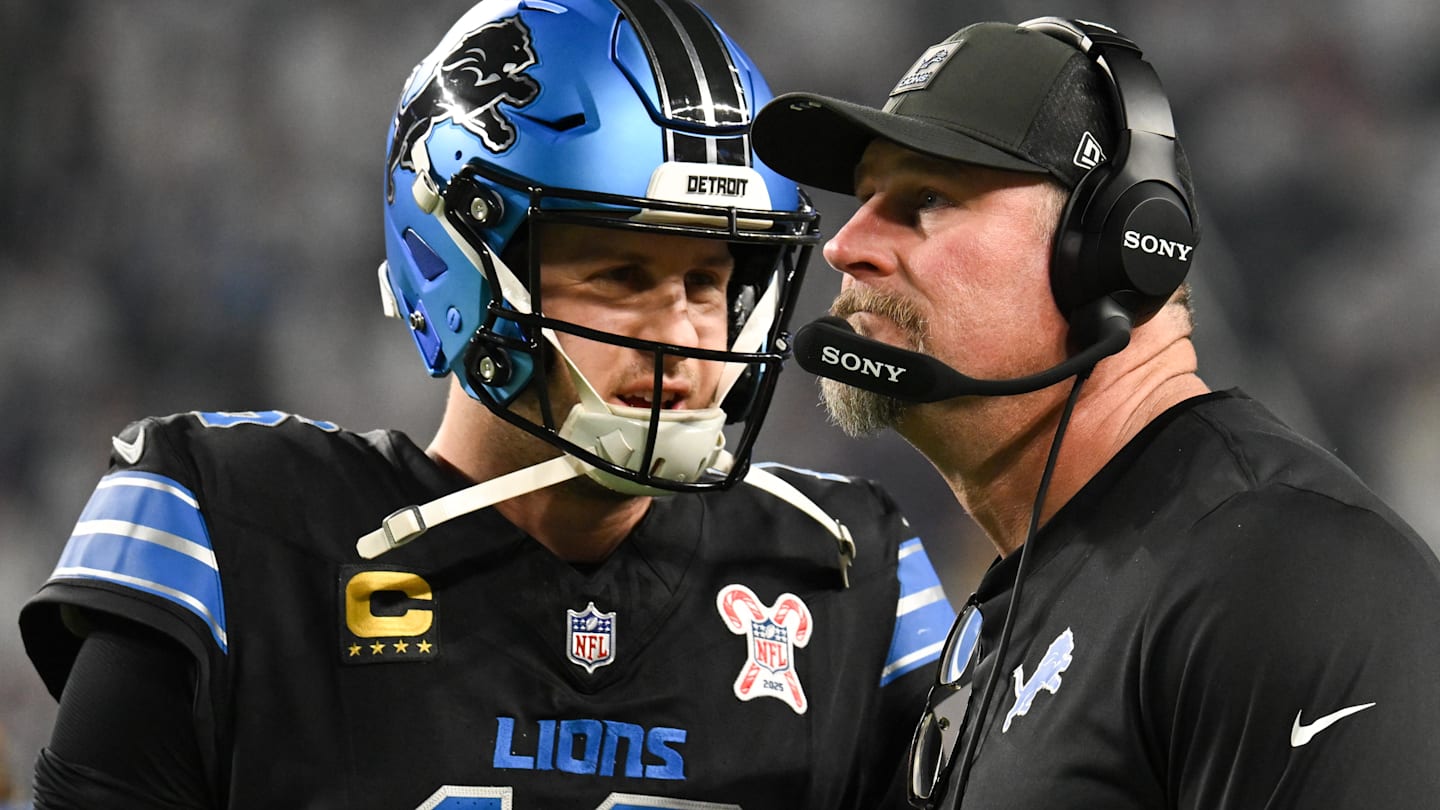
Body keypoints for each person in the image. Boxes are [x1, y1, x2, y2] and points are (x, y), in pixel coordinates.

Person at [17, 1, 956, 807]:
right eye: (624, 273)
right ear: (459, 270)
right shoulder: (231, 532)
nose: (686, 337)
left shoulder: (844, 570)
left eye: (710, 282)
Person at [749, 15, 1440, 810]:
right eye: (864, 198)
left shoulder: (1288, 570)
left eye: (925, 198)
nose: (845, 244)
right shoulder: (1028, 603)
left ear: (1113, 249)